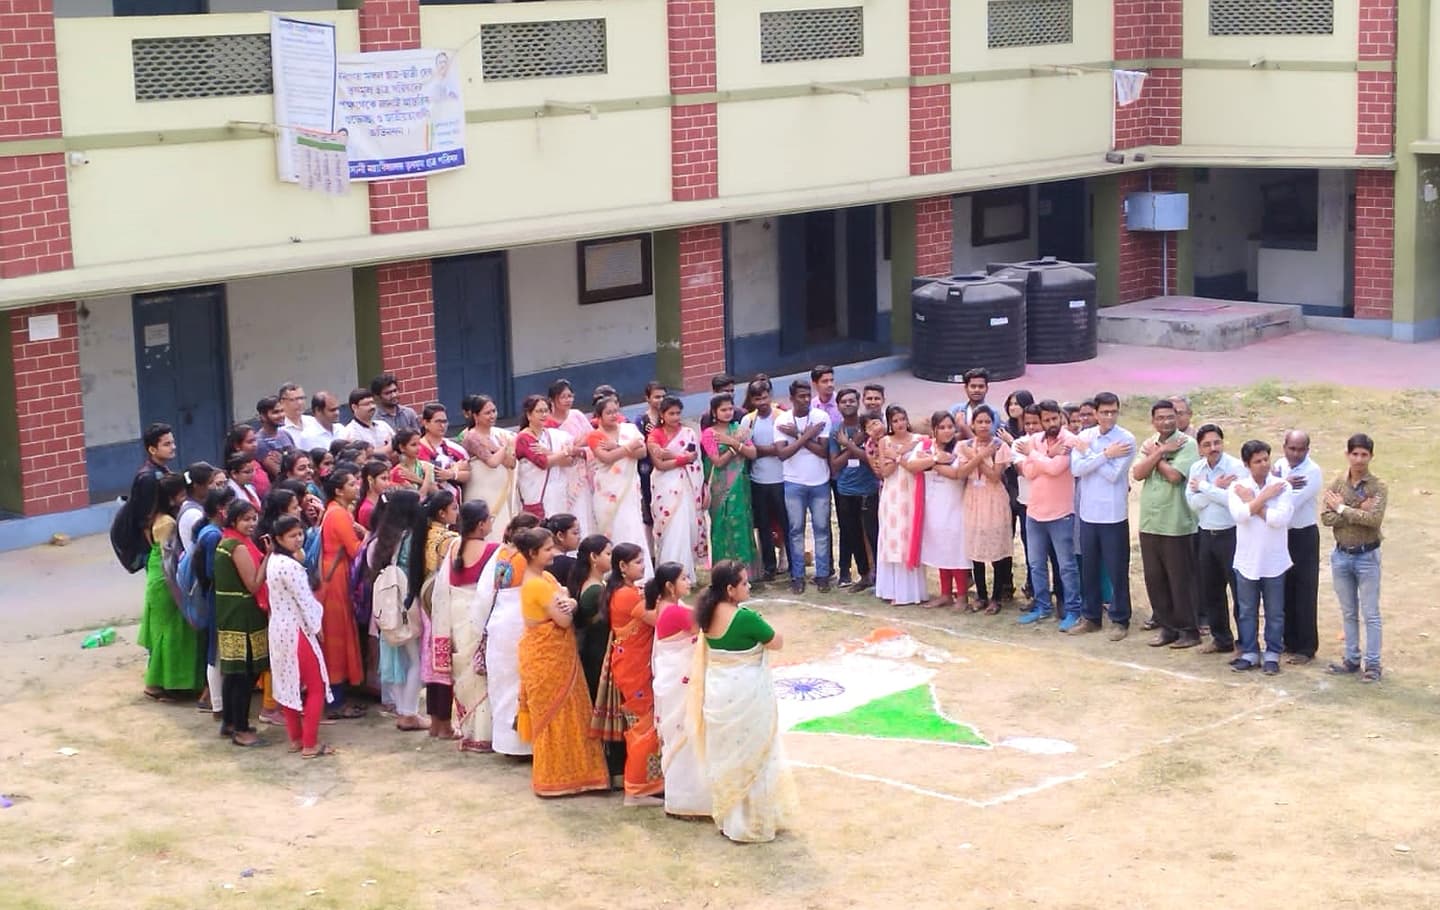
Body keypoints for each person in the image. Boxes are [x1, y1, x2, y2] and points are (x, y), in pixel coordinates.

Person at [695, 560, 788, 843]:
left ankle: (730, 820)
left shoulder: (707, 613)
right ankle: (753, 823)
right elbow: (777, 641)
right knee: (754, 754)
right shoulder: (745, 618)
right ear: (730, 589)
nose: (749, 587)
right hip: (746, 692)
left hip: (719, 691)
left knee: (727, 755)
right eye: (744, 583)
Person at [515, 527, 610, 797]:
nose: (553, 553)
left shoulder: (544, 577)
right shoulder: (536, 584)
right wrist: (568, 603)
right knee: (555, 715)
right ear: (532, 553)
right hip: (547, 657)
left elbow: (568, 600)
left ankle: (575, 776)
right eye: (547, 549)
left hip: (558, 656)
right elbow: (565, 619)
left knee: (571, 712)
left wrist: (569, 601)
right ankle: (555, 779)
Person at [593, 558, 675, 806]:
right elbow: (659, 620)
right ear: (622, 566)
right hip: (633, 668)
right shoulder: (626, 595)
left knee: (647, 725)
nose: (642, 566)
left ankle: (649, 784)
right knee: (643, 728)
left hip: (633, 663)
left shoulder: (627, 591)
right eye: (637, 562)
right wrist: (670, 598)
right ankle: (637, 791)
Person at [265, 514, 335, 758]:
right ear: (279, 538)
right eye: (292, 536)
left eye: (300, 534)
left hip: (278, 629)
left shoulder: (273, 561)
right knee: (316, 686)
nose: (298, 539)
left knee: (287, 684)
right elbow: (306, 601)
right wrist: (317, 627)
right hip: (297, 630)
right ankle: (310, 743)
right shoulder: (291, 566)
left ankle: (296, 739)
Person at [1133, 399, 1201, 648]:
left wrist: (1155, 456)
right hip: (1150, 522)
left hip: (1176, 523)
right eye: (1160, 418)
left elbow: (1174, 476)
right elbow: (1138, 473)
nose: (1166, 422)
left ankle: (1189, 631)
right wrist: (1161, 452)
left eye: (1171, 416)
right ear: (1153, 421)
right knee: (1155, 578)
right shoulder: (1150, 442)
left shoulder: (1188, 444)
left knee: (1180, 580)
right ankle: (1167, 628)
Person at [1070, 392, 1137, 639]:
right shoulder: (1084, 437)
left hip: (1113, 515)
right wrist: (1105, 455)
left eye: (1113, 412)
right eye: (1104, 412)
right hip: (1088, 513)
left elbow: (1113, 475)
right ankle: (1091, 617)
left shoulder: (1126, 439)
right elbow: (1077, 469)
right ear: (1096, 413)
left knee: (1117, 569)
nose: (1109, 416)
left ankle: (1120, 619)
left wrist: (1091, 455)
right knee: (1089, 568)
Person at [1321, 433, 1387, 682]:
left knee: (1370, 613)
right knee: (1348, 611)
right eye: (1355, 454)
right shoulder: (1337, 483)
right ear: (1347, 455)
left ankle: (1373, 664)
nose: (1359, 459)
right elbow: (1326, 518)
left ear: (1371, 456)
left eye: (1364, 454)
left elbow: (1374, 520)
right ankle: (1351, 658)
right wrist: (1357, 509)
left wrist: (1341, 508)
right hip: (1342, 555)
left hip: (1367, 555)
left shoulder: (1378, 487)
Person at [1015, 400, 1083, 629]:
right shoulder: (1035, 440)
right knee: (1036, 564)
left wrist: (1035, 455)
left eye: (1055, 418)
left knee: (1066, 566)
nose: (1052, 423)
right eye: (1047, 420)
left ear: (1061, 417)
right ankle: (1042, 606)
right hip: (1034, 512)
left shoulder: (1069, 440)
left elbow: (1055, 469)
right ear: (1041, 421)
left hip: (1061, 513)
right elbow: (1028, 472)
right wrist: (1045, 455)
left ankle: (1073, 610)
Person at [1228, 440, 1293, 675]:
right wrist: (1263, 498)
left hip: (1274, 560)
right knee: (1246, 610)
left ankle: (1273, 653)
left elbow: (1279, 520)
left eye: (1266, 459)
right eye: (1258, 461)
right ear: (1247, 464)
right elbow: (1239, 515)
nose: (1264, 464)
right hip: (1247, 560)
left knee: (1275, 612)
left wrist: (1253, 502)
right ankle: (1250, 652)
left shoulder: (1282, 486)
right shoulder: (1238, 487)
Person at [367, 489, 429, 732]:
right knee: (415, 659)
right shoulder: (411, 536)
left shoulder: (385, 536)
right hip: (406, 599)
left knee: (398, 658)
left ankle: (403, 710)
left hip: (387, 603)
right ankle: (409, 713)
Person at [138, 472, 203, 701]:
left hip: (156, 572)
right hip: (165, 578)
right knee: (171, 632)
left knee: (162, 631)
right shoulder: (168, 522)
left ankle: (159, 681)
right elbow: (169, 558)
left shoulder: (155, 516)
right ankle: (167, 684)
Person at [213, 499, 270, 746]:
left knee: (234, 673)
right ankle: (241, 729)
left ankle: (229, 723)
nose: (252, 523)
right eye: (246, 519)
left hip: (231, 613)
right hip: (243, 616)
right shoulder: (237, 547)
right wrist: (269, 556)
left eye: (254, 518)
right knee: (245, 674)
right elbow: (254, 584)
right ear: (234, 520)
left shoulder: (226, 541)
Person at [651, 563, 705, 818]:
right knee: (686, 737)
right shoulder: (673, 611)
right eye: (683, 579)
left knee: (680, 737)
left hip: (672, 679)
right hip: (679, 682)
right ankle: (688, 800)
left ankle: (682, 799)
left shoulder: (666, 607)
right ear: (670, 586)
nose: (689, 582)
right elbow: (705, 628)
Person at [446, 500, 500, 752]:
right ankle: (484, 733)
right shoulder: (492, 550)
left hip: (457, 611)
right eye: (490, 518)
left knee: (468, 669)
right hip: (479, 612)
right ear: (481, 525)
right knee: (482, 671)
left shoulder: (453, 546)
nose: (491, 522)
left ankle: (471, 731)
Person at [485, 513, 540, 757]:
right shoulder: (527, 561)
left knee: (503, 686)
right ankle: (523, 744)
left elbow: (487, 594)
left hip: (499, 620)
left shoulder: (502, 554)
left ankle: (506, 743)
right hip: (518, 620)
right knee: (519, 685)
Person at [1185, 424, 1243, 654]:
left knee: (1239, 591)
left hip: (1231, 535)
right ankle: (1221, 639)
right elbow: (1192, 503)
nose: (1213, 448)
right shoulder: (1196, 468)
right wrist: (1214, 488)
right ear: (1200, 448)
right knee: (1211, 590)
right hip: (1205, 535)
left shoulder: (1235, 467)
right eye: (1207, 444)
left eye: (1217, 442)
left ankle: (1245, 642)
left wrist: (1204, 488)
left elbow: (1232, 500)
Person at [317, 468, 368, 719]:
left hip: (333, 575)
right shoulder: (338, 514)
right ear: (338, 490)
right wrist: (368, 536)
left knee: (336, 635)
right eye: (351, 484)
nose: (356, 487)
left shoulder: (335, 511)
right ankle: (334, 701)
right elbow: (356, 550)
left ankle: (335, 697)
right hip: (335, 579)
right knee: (336, 637)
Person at [774, 379, 833, 594]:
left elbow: (823, 452)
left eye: (808, 395)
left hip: (820, 481)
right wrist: (807, 435)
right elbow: (782, 454)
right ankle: (797, 576)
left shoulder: (821, 417)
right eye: (801, 396)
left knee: (822, 529)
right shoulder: (782, 420)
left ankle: (823, 575)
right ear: (791, 398)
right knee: (796, 530)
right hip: (793, 482)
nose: (806, 400)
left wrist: (797, 436)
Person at [585, 395, 652, 573]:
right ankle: (614, 572)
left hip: (628, 489)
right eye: (609, 412)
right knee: (612, 529)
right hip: (607, 491)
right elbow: (606, 458)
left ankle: (640, 572)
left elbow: (642, 452)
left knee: (632, 525)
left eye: (615, 411)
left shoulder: (629, 429)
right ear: (599, 416)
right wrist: (628, 447)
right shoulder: (595, 435)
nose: (614, 415)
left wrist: (616, 446)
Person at [958, 406, 1013, 614]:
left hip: (994, 499)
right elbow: (962, 472)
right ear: (972, 424)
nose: (983, 426)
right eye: (979, 422)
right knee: (975, 548)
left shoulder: (1000, 446)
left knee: (996, 549)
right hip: (973, 498)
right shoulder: (964, 446)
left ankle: (996, 597)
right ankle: (981, 595)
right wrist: (980, 455)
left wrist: (977, 457)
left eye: (987, 422)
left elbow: (995, 476)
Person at [647, 395, 709, 580]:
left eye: (678, 413)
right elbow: (659, 464)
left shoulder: (689, 433)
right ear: (662, 415)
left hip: (688, 486)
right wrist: (681, 459)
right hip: (665, 488)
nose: (675, 417)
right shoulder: (654, 435)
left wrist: (671, 456)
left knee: (686, 526)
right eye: (671, 413)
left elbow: (694, 459)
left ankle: (686, 573)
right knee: (671, 526)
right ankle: (669, 574)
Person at [1275, 430, 1322, 665]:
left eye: (1300, 449)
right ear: (1284, 447)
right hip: (1281, 535)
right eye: (1292, 448)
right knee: (1285, 588)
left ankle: (1306, 646)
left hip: (1303, 535)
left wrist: (1278, 485)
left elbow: (1290, 502)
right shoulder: (1279, 465)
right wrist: (1284, 484)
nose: (1295, 454)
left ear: (1307, 450)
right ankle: (1289, 640)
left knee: (1305, 590)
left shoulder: (1312, 471)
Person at [874, 405, 929, 605]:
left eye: (902, 419)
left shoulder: (919, 440)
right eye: (895, 421)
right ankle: (892, 589)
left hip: (912, 493)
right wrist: (898, 455)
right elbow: (885, 472)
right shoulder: (884, 442)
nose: (900, 424)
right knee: (892, 537)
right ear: (890, 423)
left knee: (909, 536)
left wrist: (899, 454)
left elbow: (920, 466)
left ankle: (910, 591)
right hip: (892, 495)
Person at [421, 491, 461, 739]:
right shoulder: (449, 540)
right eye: (453, 508)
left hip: (427, 601)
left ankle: (435, 722)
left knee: (434, 664)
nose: (457, 512)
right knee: (444, 666)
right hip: (444, 602)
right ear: (442, 513)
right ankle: (444, 724)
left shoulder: (424, 534)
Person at [830, 389, 879, 591]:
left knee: (873, 534)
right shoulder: (836, 430)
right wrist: (853, 444)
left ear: (858, 402)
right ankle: (864, 575)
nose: (848, 404)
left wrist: (848, 446)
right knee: (853, 534)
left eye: (852, 400)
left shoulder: (869, 427)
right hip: (845, 490)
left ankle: (880, 576)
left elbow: (871, 459)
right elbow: (835, 464)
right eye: (844, 401)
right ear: (838, 405)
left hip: (868, 489)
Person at [739, 379, 788, 583]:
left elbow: (784, 449)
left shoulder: (782, 417)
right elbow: (746, 450)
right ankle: (769, 568)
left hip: (782, 479)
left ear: (770, 396)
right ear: (752, 400)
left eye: (765, 397)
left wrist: (760, 450)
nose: (762, 402)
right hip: (758, 481)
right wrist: (770, 450)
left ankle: (792, 564)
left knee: (786, 524)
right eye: (757, 399)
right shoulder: (748, 421)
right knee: (764, 527)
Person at [702, 393, 757, 567]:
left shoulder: (739, 428)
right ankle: (723, 570)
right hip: (720, 489)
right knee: (722, 525)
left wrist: (733, 442)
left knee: (742, 522)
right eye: (723, 410)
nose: (728, 413)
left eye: (730, 409)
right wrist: (734, 446)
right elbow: (717, 462)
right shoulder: (709, 434)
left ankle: (745, 570)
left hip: (740, 486)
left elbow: (752, 453)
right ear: (714, 412)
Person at [920, 412, 969, 609]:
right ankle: (945, 593)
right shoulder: (927, 447)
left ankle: (962, 596)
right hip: (934, 505)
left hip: (955, 505)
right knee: (941, 548)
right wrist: (936, 458)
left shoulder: (961, 448)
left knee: (956, 550)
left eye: (950, 427)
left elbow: (957, 474)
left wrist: (934, 463)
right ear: (934, 430)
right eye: (941, 427)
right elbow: (911, 464)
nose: (947, 431)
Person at [459, 394, 516, 541]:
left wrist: (499, 448)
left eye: (494, 411)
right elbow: (492, 462)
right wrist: (504, 448)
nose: (492, 416)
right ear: (475, 416)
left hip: (501, 490)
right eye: (487, 413)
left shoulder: (498, 435)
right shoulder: (472, 436)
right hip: (482, 491)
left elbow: (511, 463)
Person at [515, 394, 578, 521]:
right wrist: (564, 452)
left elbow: (569, 461)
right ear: (529, 415)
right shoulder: (524, 438)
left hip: (556, 493)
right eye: (539, 411)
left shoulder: (553, 435)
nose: (543, 415)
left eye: (546, 411)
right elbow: (543, 463)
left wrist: (549, 453)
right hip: (535, 495)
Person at [547, 379, 597, 536]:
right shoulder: (547, 422)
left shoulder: (577, 415)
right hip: (560, 473)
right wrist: (571, 448)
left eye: (570, 396)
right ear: (553, 400)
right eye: (563, 397)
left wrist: (578, 449)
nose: (568, 400)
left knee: (584, 510)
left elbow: (593, 439)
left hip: (581, 473)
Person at [418, 403, 470, 501]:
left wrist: (451, 474)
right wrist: (455, 468)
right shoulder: (417, 449)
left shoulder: (456, 449)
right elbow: (432, 475)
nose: (442, 425)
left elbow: (468, 473)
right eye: (438, 421)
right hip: (427, 501)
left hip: (455, 502)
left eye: (445, 421)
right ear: (425, 423)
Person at [637, 381, 666, 550]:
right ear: (647, 398)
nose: (660, 400)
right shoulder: (641, 421)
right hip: (647, 471)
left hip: (668, 469)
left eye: (663, 396)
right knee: (648, 511)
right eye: (656, 397)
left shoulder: (669, 416)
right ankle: (651, 554)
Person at [341, 387, 394, 453]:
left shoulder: (383, 425)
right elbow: (366, 455)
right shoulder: (350, 432)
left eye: (373, 403)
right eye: (367, 404)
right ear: (354, 407)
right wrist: (389, 446)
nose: (372, 406)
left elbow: (399, 446)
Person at [390, 429, 438, 497]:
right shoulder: (398, 472)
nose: (418, 448)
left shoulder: (426, 466)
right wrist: (427, 474)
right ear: (402, 448)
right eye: (413, 445)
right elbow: (419, 497)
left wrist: (418, 480)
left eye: (419, 444)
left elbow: (436, 491)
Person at [356, 458, 390, 530]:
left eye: (388, 479)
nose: (388, 483)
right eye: (383, 479)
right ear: (370, 479)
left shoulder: (383, 500)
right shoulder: (367, 509)